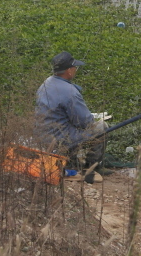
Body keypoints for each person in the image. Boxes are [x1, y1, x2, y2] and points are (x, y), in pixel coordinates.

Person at [35, 51, 106, 183]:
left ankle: (72, 158)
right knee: (101, 127)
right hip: (60, 138)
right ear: (69, 71)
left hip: (42, 135)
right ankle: (90, 168)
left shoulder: (46, 82)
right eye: (75, 68)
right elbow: (85, 122)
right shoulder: (70, 92)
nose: (75, 70)